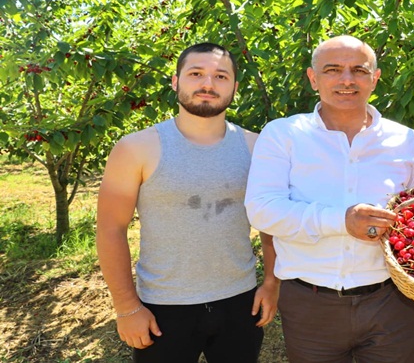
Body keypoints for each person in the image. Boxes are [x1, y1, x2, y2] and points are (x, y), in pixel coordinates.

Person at [244, 35, 414, 363]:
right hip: (310, 304)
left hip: (392, 301)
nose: (346, 80)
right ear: (313, 79)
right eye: (332, 70)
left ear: (375, 78)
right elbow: (262, 210)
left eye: (359, 70)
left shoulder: (406, 140)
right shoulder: (283, 135)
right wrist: (342, 220)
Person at [96, 42, 278, 363]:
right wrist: (126, 307)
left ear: (235, 87)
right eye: (196, 74)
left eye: (220, 76)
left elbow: (271, 221)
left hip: (240, 302)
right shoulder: (137, 148)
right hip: (164, 308)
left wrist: (271, 283)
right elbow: (111, 229)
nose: (208, 84)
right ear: (176, 81)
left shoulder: (257, 147)